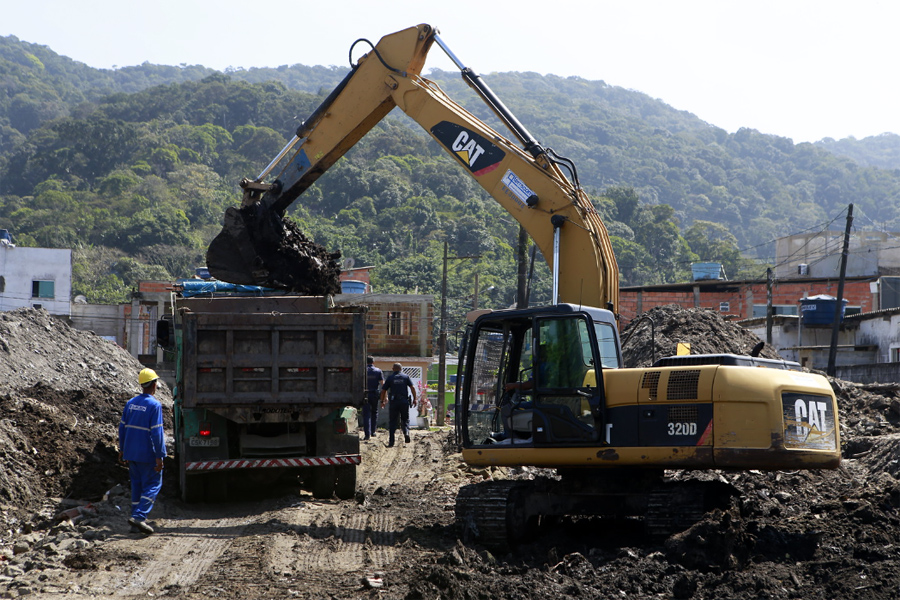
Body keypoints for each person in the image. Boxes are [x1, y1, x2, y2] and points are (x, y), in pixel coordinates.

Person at [118, 368, 166, 535]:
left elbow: (122, 428)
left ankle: (134, 524)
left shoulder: (131, 403)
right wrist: (160, 456)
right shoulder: (154, 405)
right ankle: (139, 517)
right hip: (147, 454)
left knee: (137, 487)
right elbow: (157, 433)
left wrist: (122, 449)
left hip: (131, 453)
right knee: (153, 484)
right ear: (154, 384)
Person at [380, 362, 417, 447]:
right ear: (401, 369)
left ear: (393, 369)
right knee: (405, 419)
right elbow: (412, 387)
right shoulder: (405, 377)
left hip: (394, 402)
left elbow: (383, 391)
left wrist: (382, 401)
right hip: (404, 401)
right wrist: (415, 399)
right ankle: (406, 432)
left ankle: (391, 441)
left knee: (392, 421)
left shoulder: (390, 378)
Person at [363, 356, 384, 440]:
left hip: (365, 394)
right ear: (373, 362)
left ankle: (367, 435)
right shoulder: (378, 371)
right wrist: (384, 397)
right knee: (374, 412)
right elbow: (383, 384)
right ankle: (373, 431)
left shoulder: (363, 371)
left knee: (366, 414)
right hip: (375, 394)